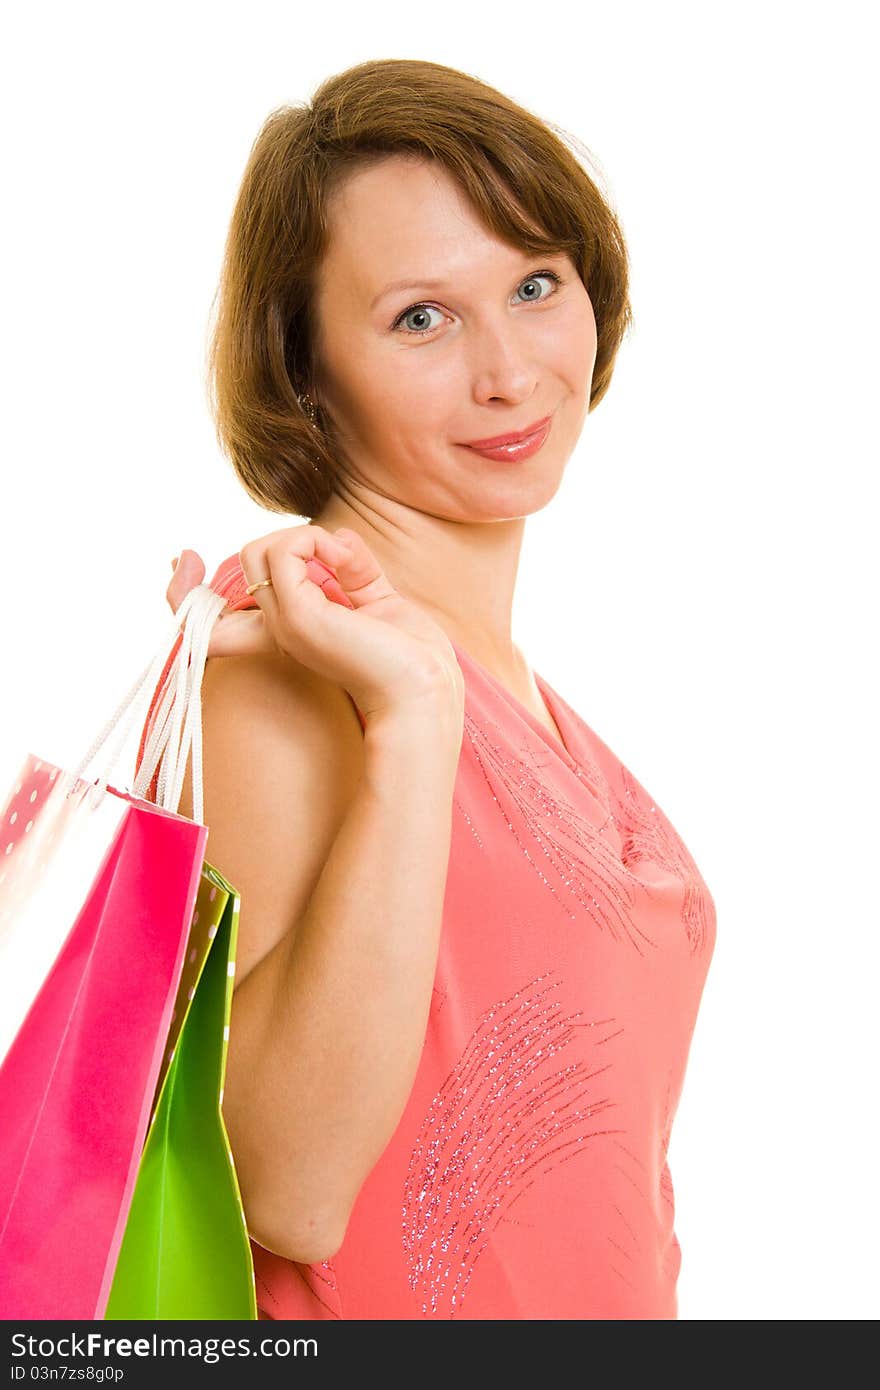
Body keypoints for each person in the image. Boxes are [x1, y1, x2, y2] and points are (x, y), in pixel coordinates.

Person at [146, 57, 717, 1320]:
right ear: (305, 370)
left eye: (533, 284)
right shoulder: (293, 669)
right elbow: (283, 1187)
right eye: (421, 318)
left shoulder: (517, 690)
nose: (509, 372)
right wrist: (409, 723)